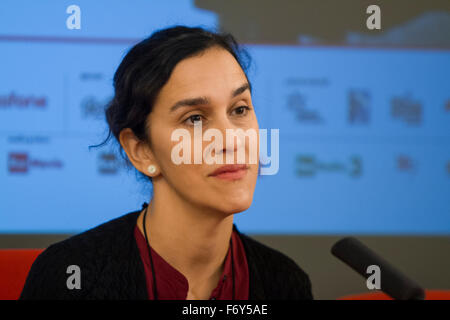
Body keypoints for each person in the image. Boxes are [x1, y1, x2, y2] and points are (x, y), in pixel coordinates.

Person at [20, 25, 313, 300]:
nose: (232, 140)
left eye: (239, 109)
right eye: (195, 119)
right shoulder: (70, 277)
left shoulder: (285, 283)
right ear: (141, 151)